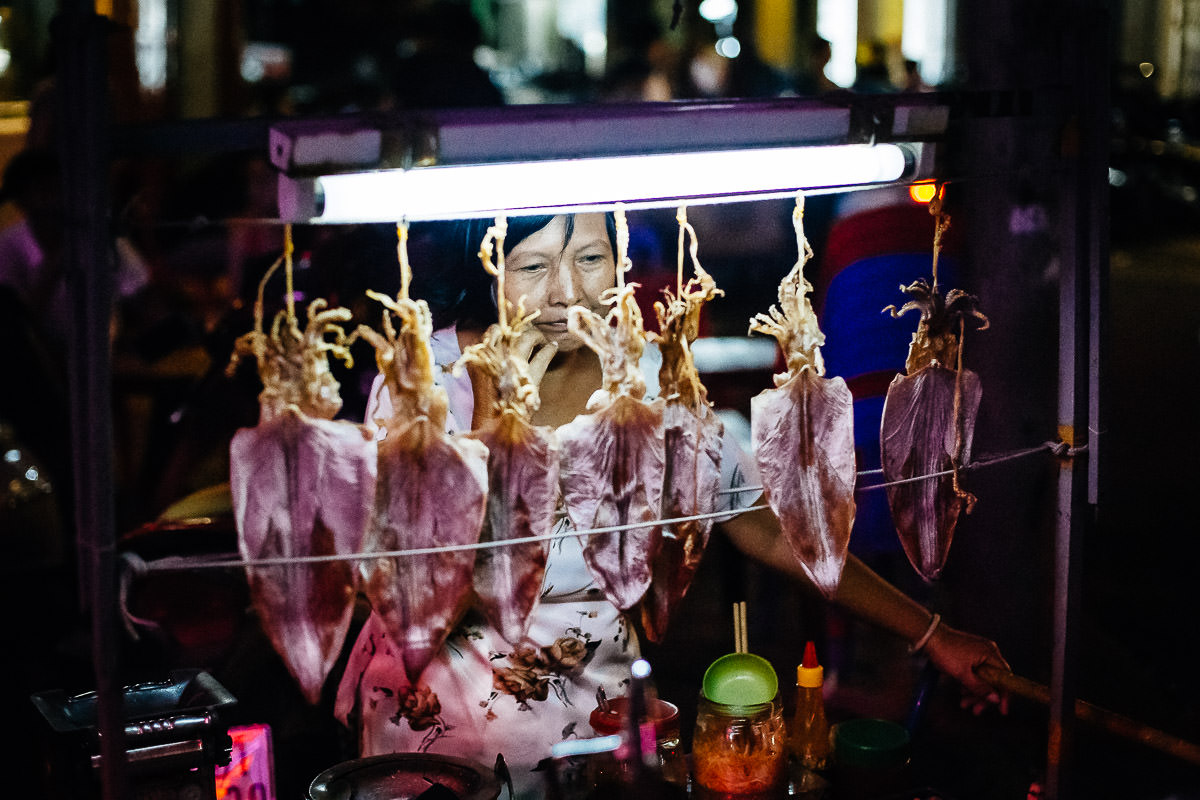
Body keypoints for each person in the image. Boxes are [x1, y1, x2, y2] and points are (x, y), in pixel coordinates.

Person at [335, 213, 1009, 798]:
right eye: (532, 265)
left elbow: (765, 528)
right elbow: (415, 605)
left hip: (595, 734)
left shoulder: (651, 377)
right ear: (486, 267)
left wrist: (933, 635)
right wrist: (489, 437)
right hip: (441, 747)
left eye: (591, 259)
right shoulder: (424, 383)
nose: (567, 291)